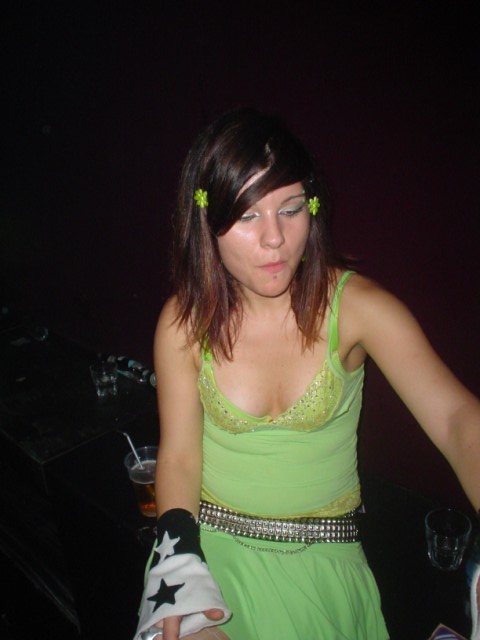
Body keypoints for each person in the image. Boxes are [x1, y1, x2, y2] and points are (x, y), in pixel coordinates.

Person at [134, 108, 480, 640]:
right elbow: (179, 456)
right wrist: (178, 556)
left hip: (325, 565)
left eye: (290, 209)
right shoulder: (183, 323)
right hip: (207, 555)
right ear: (207, 221)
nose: (275, 239)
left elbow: (458, 421)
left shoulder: (359, 308)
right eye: (248, 215)